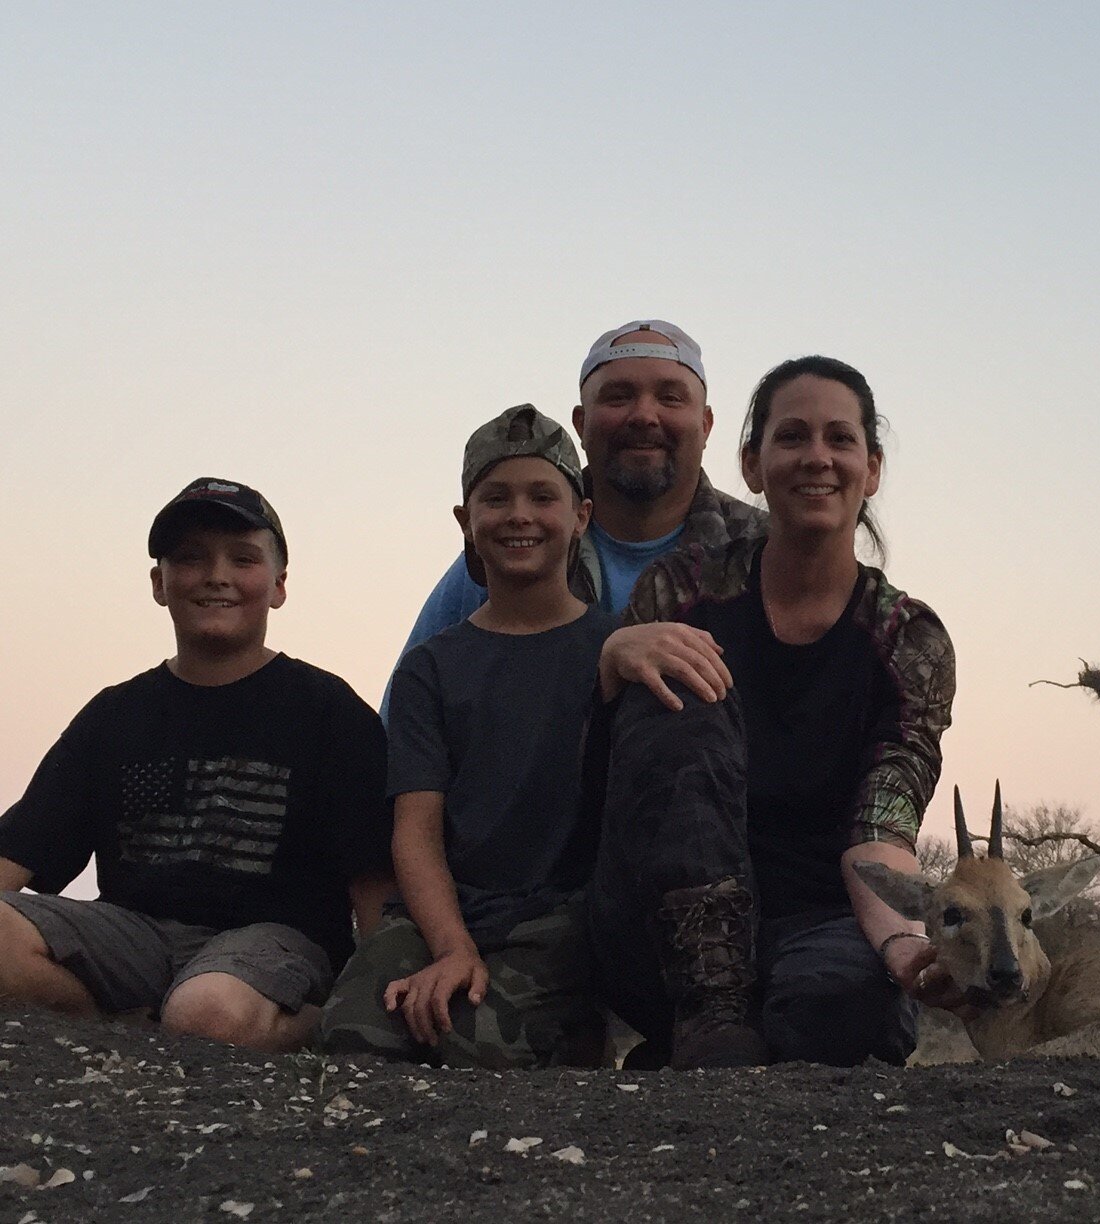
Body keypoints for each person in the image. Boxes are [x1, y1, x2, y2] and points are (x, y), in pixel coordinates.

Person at [589, 355, 957, 1069]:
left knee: (847, 1013)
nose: (816, 458)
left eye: (839, 440)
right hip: (658, 923)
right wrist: (613, 659)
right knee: (682, 674)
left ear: (871, 469)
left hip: (820, 918)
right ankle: (710, 1009)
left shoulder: (909, 638)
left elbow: (883, 821)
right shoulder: (681, 592)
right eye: (791, 438)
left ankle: (718, 1040)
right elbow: (609, 772)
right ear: (753, 464)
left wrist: (903, 944)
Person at [0, 479, 391, 1052]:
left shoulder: (330, 711)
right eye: (190, 559)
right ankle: (128, 1027)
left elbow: (371, 875)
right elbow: (21, 851)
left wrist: (373, 997)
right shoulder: (114, 715)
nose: (216, 575)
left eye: (242, 558)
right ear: (159, 583)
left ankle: (314, 1024)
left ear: (279, 585)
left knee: (208, 1013)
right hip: (133, 935)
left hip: (274, 943)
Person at [321, 406, 617, 1068]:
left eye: (544, 496)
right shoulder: (433, 666)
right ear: (465, 522)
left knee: (467, 1042)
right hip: (447, 909)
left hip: (559, 916)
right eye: (496, 498)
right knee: (357, 1036)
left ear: (581, 518)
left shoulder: (613, 651)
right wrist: (452, 946)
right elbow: (416, 830)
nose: (519, 515)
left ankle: (579, 1034)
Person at [386, 320, 765, 719]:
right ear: (581, 424)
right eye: (618, 397)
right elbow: (403, 724)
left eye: (670, 398)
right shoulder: (502, 559)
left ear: (705, 426)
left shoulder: (765, 552)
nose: (644, 415)